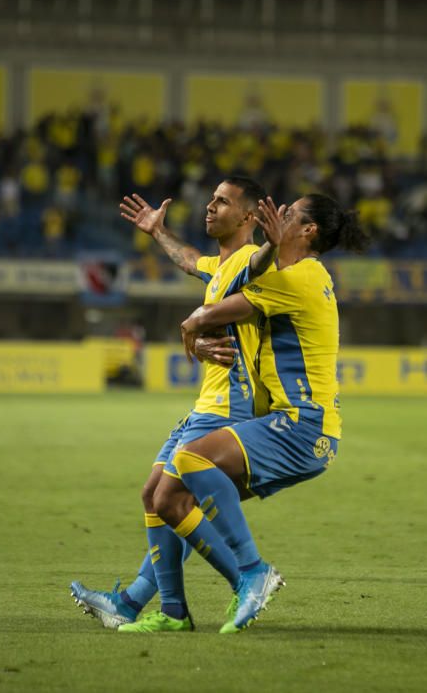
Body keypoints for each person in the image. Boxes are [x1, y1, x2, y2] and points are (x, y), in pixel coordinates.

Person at [117, 193, 369, 634]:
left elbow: (212, 313)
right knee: (175, 498)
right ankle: (149, 602)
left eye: (288, 213)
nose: (280, 214)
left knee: (190, 460)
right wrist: (161, 236)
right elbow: (206, 281)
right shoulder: (294, 274)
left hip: (301, 425)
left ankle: (251, 571)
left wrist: (192, 329)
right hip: (294, 425)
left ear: (308, 231)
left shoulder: (300, 278)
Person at [70, 176, 285, 631]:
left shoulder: (249, 258)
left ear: (248, 217)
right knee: (157, 495)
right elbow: (190, 260)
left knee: (169, 497)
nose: (210, 207)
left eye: (222, 202)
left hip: (230, 405)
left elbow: (266, 261)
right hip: (207, 402)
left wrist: (272, 243)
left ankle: (246, 579)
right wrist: (157, 231)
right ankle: (157, 607)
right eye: (210, 199)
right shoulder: (220, 265)